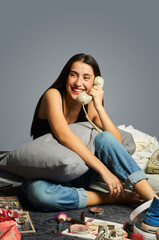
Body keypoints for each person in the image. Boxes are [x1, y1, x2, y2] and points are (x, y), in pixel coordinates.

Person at [22, 53, 158, 211]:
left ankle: (154, 202)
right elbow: (65, 137)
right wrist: (104, 171)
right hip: (46, 174)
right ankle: (118, 197)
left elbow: (116, 142)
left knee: (105, 138)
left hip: (79, 173)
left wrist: (99, 106)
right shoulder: (53, 95)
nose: (78, 83)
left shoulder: (89, 103)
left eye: (86, 77)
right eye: (73, 75)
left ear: (95, 82)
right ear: (66, 76)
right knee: (41, 196)